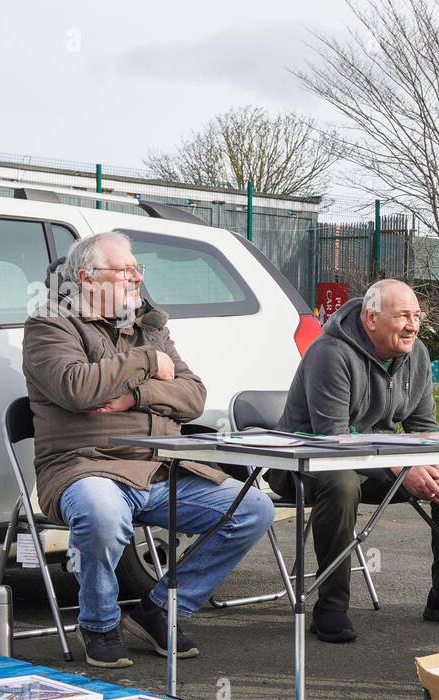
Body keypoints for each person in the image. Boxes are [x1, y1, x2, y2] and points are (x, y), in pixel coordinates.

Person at [23, 231, 275, 668]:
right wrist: (146, 365)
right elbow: (78, 388)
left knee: (253, 508)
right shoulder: (50, 323)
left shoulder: (150, 325)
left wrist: (132, 397)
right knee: (102, 513)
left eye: (138, 269)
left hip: (160, 467)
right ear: (87, 277)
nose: (137, 278)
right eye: (126, 271)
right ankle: (99, 624)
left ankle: (160, 609)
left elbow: (193, 395)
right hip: (85, 466)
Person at [269, 279, 439, 643]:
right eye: (402, 317)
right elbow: (333, 438)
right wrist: (400, 469)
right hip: (306, 464)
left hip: (375, 462)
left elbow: (423, 426)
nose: (412, 325)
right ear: (372, 318)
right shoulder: (330, 353)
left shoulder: (418, 354)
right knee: (342, 481)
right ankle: (331, 606)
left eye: (416, 316)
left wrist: (432, 463)